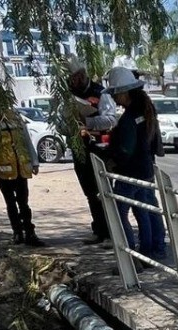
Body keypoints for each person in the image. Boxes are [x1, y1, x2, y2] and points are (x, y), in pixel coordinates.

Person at [102, 66, 166, 257]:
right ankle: (153, 250)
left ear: (124, 93)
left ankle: (130, 254)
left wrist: (112, 159)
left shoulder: (130, 117)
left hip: (130, 172)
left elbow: (126, 149)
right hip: (146, 169)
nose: (114, 98)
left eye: (115, 93)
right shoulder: (145, 110)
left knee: (119, 213)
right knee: (146, 210)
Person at [65, 56, 118, 245]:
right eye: (71, 78)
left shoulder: (100, 93)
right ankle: (99, 230)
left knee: (103, 192)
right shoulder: (67, 95)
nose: (75, 81)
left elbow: (111, 119)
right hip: (80, 150)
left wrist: (87, 121)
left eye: (77, 76)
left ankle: (112, 233)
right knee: (90, 192)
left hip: (100, 150)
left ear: (83, 74)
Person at [0, 108, 43, 246]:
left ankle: (30, 232)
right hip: (2, 168)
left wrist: (34, 162)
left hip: (21, 167)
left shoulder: (15, 117)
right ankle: (17, 232)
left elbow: (26, 139)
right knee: (10, 202)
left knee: (23, 202)